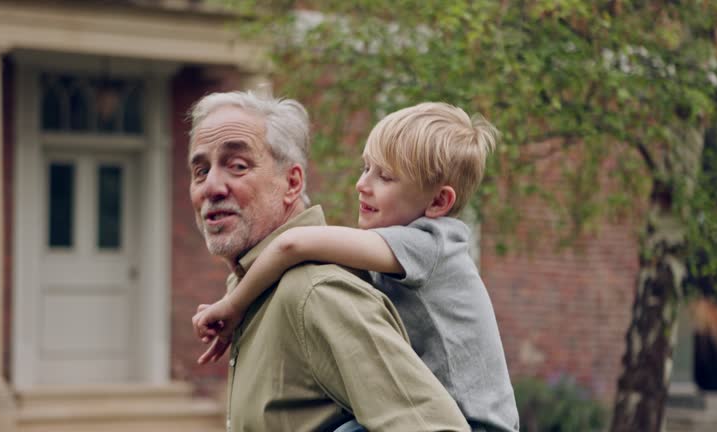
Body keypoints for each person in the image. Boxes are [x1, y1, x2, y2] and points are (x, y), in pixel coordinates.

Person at [193, 102, 520, 431]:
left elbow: (291, 245)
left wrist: (232, 307)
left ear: (438, 202)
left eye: (386, 177)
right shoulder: (384, 255)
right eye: (366, 168)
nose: (362, 185)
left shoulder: (423, 246)